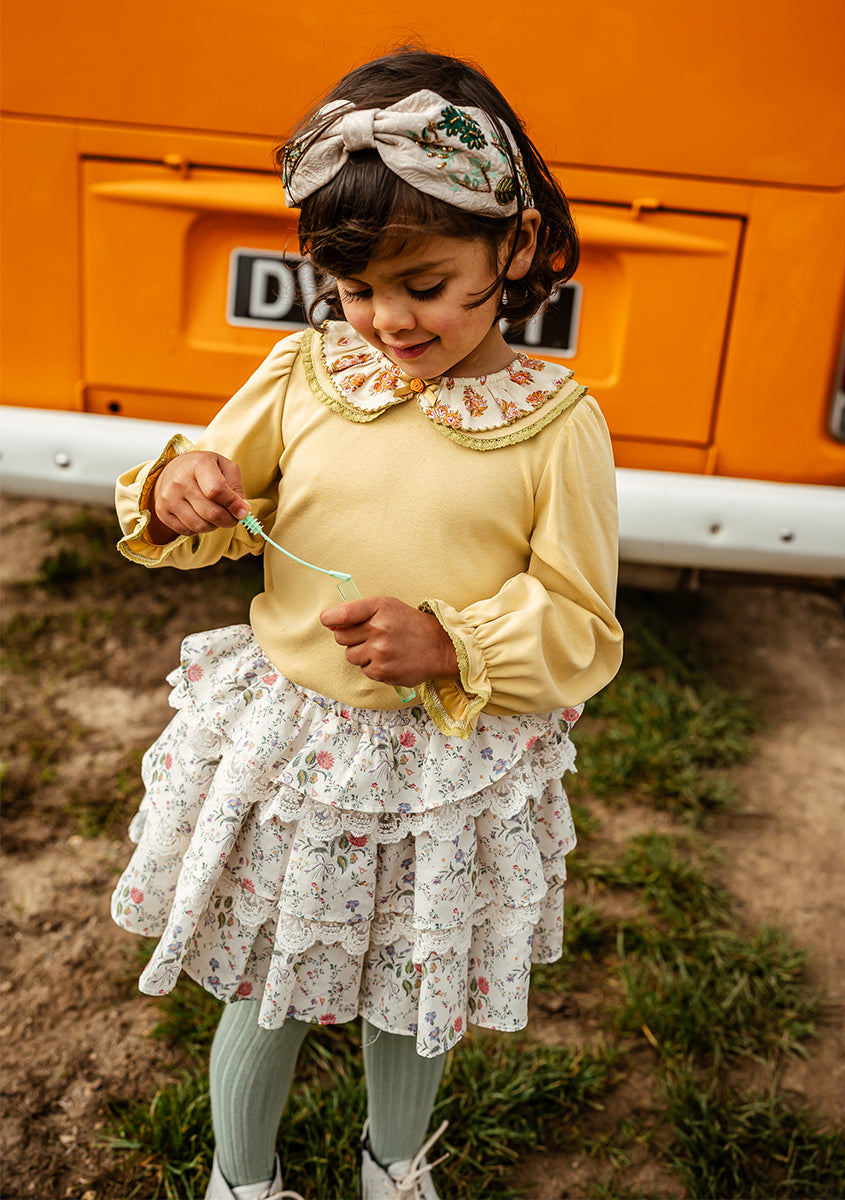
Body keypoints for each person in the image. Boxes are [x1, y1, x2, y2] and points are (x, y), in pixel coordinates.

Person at [111, 46, 623, 1200]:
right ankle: (242, 1182)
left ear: (515, 248)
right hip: (302, 758)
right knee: (272, 990)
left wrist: (452, 644)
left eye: (425, 283)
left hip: (446, 771)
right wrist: (183, 489)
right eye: (354, 289)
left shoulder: (553, 427)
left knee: (415, 986)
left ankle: (395, 1166)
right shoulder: (307, 375)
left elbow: (583, 627)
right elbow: (215, 497)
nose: (388, 319)